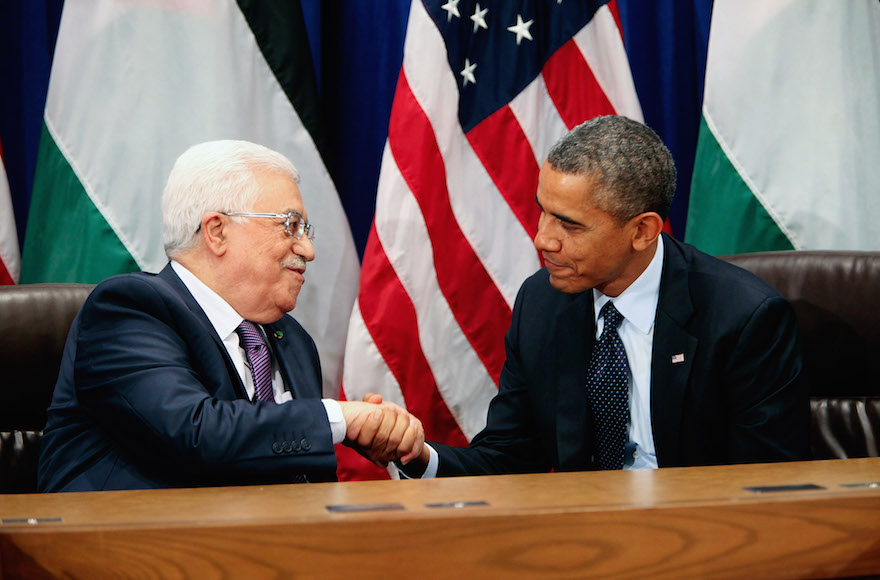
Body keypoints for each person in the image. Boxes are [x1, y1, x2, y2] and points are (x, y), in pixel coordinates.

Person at [398, 115, 810, 478]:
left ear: (643, 231)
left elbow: (765, 484)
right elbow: (510, 458)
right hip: (584, 541)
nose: (543, 239)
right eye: (543, 211)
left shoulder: (743, 318)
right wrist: (418, 457)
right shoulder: (542, 302)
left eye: (570, 226)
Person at [38, 140, 423, 492]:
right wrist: (340, 418)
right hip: (128, 553)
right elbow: (194, 433)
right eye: (290, 225)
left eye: (305, 230)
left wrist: (371, 429)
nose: (307, 249)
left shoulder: (292, 341)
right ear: (217, 231)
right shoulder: (129, 309)